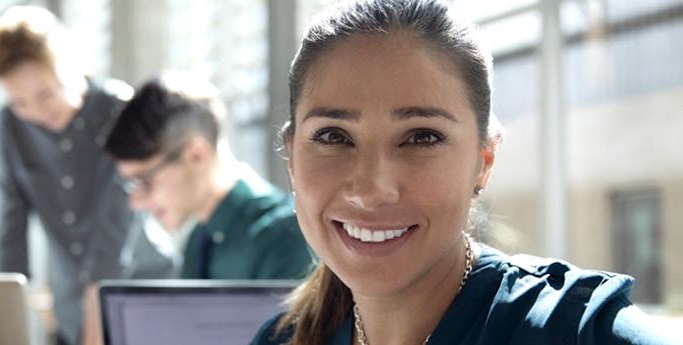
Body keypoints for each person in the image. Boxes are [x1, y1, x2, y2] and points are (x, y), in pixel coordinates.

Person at [251, 0, 676, 344]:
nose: (371, 189)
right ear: (291, 158)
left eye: (421, 137)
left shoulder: (578, 333)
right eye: (333, 136)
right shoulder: (283, 338)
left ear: (483, 161)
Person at [0, 6, 173, 345]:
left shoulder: (118, 107)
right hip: (69, 307)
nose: (36, 112)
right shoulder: (9, 127)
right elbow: (11, 224)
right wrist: (4, 307)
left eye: (45, 93)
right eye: (20, 102)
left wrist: (96, 308)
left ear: (70, 64)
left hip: (141, 291)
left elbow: (118, 219)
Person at [103, 74, 313, 280]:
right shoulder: (198, 241)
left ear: (196, 155)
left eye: (144, 181)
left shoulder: (285, 237)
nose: (135, 202)